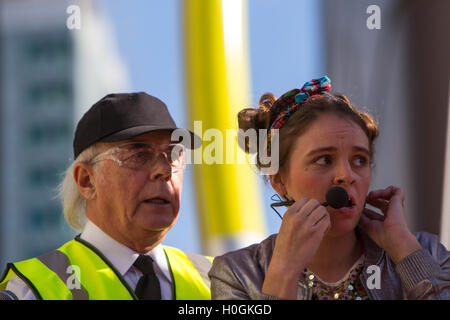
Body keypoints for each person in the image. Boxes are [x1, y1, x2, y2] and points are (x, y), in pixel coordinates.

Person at [208, 76, 450, 300]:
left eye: (359, 160)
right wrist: (283, 273)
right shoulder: (236, 274)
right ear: (279, 180)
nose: (347, 176)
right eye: (323, 160)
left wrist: (404, 249)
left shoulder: (427, 253)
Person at [0, 92, 212, 300]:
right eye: (139, 154)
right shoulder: (34, 289)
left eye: (175, 154)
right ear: (86, 180)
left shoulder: (220, 280)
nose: (164, 169)